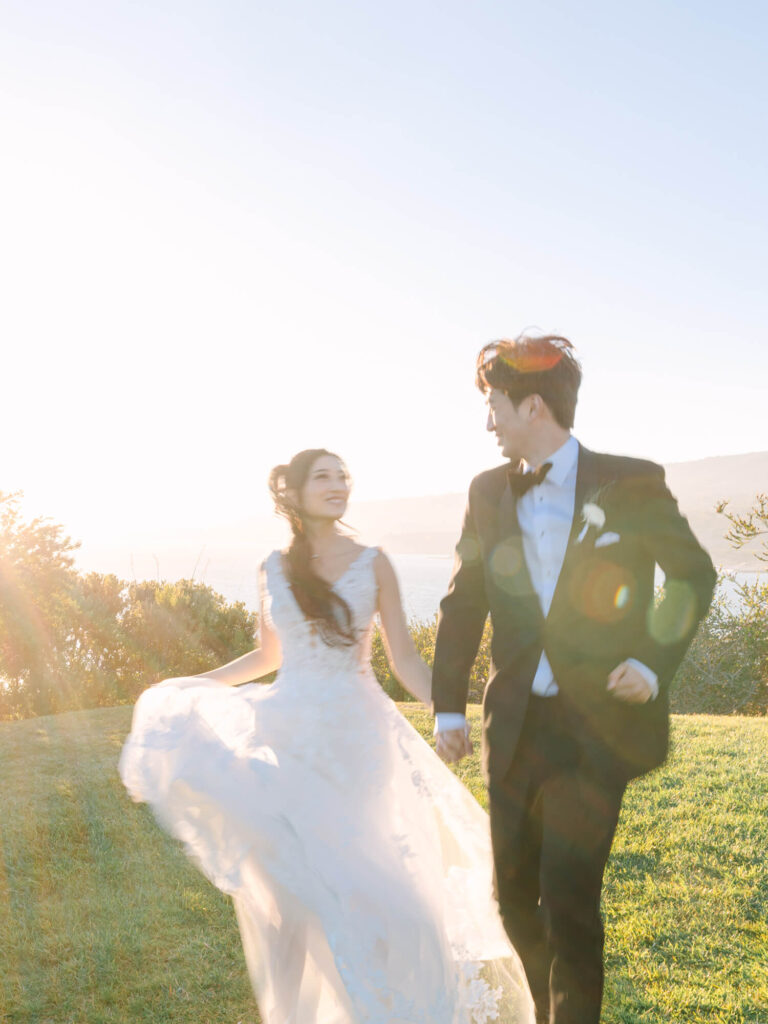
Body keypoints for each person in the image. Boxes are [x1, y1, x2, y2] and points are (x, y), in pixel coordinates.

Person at [120, 448, 535, 1024]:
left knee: (361, 882)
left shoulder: (375, 563)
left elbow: (405, 661)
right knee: (289, 901)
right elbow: (268, 655)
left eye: (344, 476)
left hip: (354, 741)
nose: (339, 484)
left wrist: (448, 711)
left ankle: (401, 1004)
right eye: (324, 476)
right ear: (292, 492)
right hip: (284, 737)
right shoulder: (271, 567)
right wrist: (194, 683)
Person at [431, 334, 717, 1024]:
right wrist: (448, 707)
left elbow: (692, 574)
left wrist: (651, 662)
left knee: (570, 901)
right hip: (515, 728)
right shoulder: (485, 492)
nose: (488, 421)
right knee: (511, 900)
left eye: (495, 405)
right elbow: (465, 599)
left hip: (594, 734)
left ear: (533, 406)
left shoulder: (633, 481)